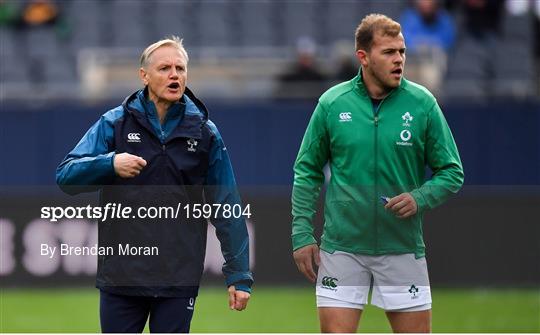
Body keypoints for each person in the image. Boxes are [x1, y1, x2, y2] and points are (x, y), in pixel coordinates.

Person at [56, 36, 252, 333]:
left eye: (180, 68)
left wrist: (238, 275)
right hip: (122, 274)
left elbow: (226, 204)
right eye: (164, 68)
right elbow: (66, 176)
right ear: (144, 76)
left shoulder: (204, 131)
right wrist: (110, 164)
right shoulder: (115, 123)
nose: (175, 75)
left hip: (178, 276)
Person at [291, 14, 463, 333]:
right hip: (341, 248)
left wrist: (419, 197)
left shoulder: (423, 104)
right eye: (389, 52)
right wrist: (301, 233)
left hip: (402, 248)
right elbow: (307, 170)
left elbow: (452, 171)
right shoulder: (331, 103)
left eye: (402, 51)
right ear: (364, 57)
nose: (399, 59)